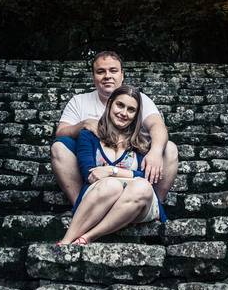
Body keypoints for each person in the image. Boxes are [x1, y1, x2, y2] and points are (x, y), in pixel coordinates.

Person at [50, 51, 178, 205]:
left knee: (169, 148)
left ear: (122, 75)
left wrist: (156, 152)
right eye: (100, 71)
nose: (107, 76)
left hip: (133, 163)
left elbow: (157, 125)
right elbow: (61, 132)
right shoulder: (79, 101)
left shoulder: (139, 99)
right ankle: (81, 205)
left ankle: (154, 204)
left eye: (113, 70)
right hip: (91, 162)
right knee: (59, 147)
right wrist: (83, 124)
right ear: (93, 77)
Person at [59, 85, 167, 245]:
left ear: (136, 115)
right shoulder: (88, 135)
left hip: (137, 203)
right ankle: (66, 242)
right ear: (109, 104)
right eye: (120, 105)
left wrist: (111, 170)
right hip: (102, 195)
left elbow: (146, 177)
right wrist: (124, 177)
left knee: (142, 187)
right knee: (111, 186)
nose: (124, 113)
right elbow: (89, 174)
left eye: (131, 110)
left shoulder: (142, 141)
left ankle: (90, 235)